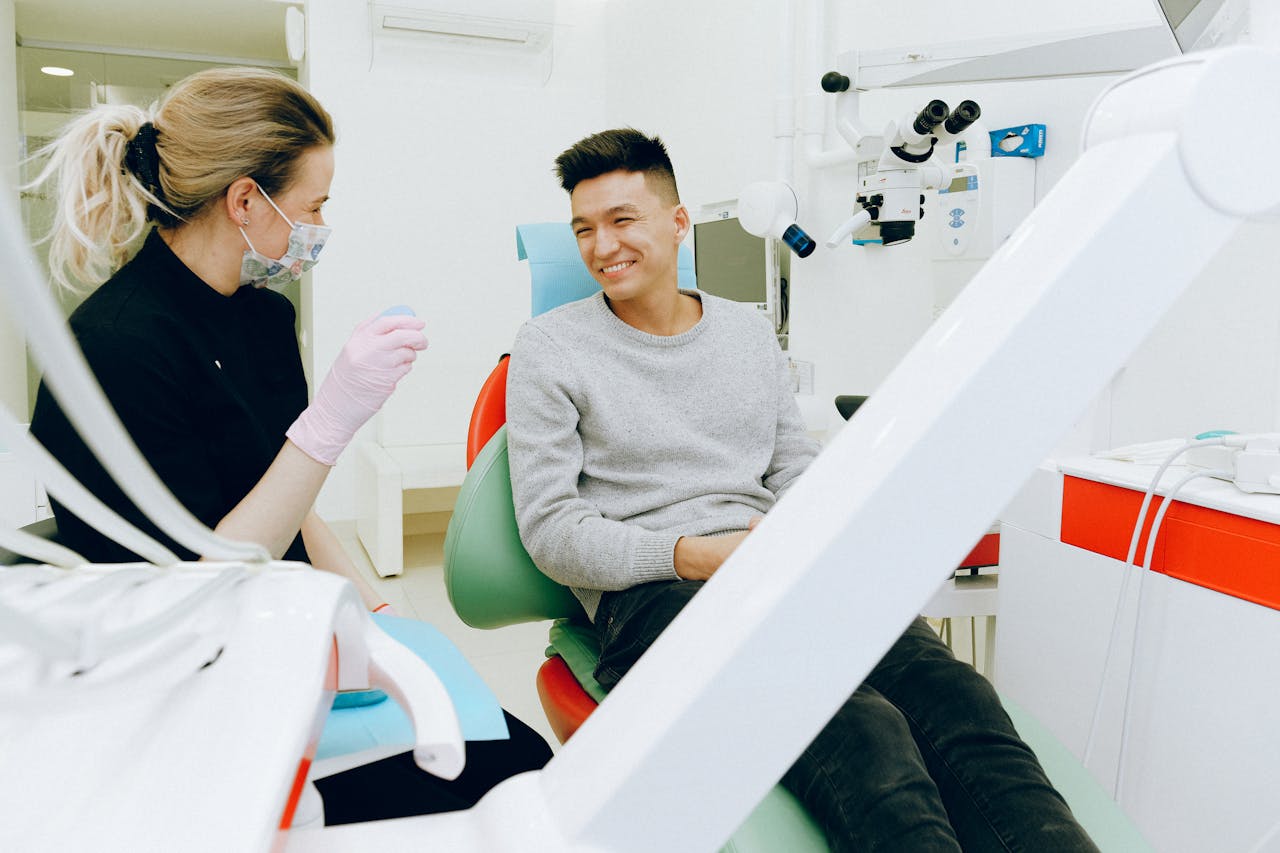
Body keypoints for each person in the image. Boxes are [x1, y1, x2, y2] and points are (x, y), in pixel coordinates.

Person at [506, 127, 1100, 852]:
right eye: (584, 229)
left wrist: (834, 533)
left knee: (957, 698)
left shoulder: (748, 335)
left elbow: (793, 467)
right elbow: (551, 530)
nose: (603, 246)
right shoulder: (550, 347)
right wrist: (697, 554)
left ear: (678, 221)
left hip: (779, 568)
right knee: (862, 727)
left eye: (622, 220)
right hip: (657, 594)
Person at [27, 67, 549, 822]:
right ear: (245, 200)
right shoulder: (115, 347)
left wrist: (376, 611)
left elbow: (289, 497)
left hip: (288, 635)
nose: (320, 226)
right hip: (187, 682)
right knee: (502, 791)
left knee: (522, 759)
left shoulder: (261, 318)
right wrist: (331, 422)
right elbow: (197, 589)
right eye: (314, 206)